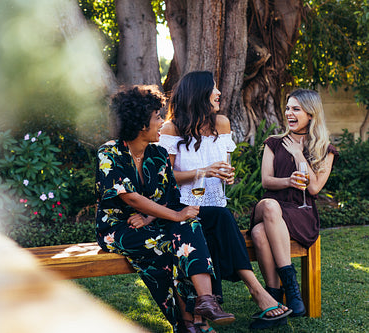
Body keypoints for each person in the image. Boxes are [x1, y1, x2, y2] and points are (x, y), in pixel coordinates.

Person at [96, 86, 235, 333]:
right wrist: (175, 215)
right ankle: (185, 322)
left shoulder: (158, 153)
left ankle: (206, 301)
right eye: (157, 117)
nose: (162, 122)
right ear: (140, 125)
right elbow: (131, 198)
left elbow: (168, 196)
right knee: (167, 248)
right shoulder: (109, 153)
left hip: (152, 220)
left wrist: (151, 218)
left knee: (190, 225)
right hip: (118, 227)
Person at [159, 71, 291, 330]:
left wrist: (226, 175)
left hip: (213, 205)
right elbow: (165, 180)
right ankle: (257, 291)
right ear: (198, 93)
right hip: (180, 207)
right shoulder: (171, 129)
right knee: (219, 220)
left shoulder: (222, 124)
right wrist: (204, 171)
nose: (219, 93)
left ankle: (206, 311)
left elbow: (226, 168)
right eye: (213, 88)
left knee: (217, 221)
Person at [249, 89, 339, 318]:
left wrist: (299, 156)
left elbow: (314, 188)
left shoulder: (325, 149)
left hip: (301, 211)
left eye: (295, 109)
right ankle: (293, 290)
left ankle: (274, 297)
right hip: (272, 203)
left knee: (260, 232)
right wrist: (288, 181)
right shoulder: (273, 143)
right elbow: (266, 181)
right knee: (269, 207)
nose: (289, 112)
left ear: (310, 114)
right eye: (288, 108)